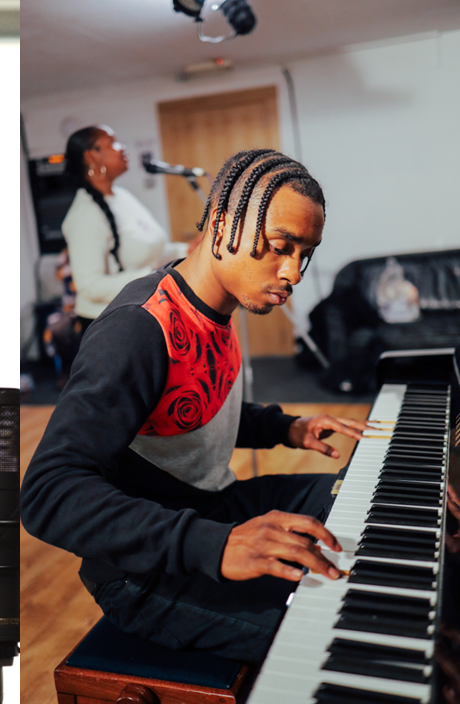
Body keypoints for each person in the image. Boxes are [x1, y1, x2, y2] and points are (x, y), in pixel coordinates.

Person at [21, 148, 369, 662]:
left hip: (212, 507)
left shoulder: (217, 305)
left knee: (368, 510)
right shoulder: (137, 329)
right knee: (348, 638)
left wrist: (286, 428)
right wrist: (215, 546)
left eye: (305, 253)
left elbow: (194, 404)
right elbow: (48, 493)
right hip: (146, 572)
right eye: (279, 247)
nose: (293, 272)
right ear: (225, 224)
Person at [61, 125, 189, 322]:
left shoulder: (122, 197)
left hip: (141, 312)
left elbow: (149, 253)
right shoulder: (84, 215)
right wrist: (154, 277)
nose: (122, 148)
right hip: (108, 324)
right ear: (91, 157)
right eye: (112, 143)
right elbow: (90, 286)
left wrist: (185, 251)